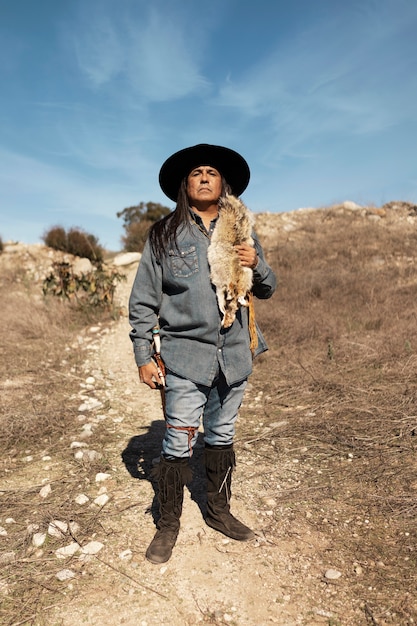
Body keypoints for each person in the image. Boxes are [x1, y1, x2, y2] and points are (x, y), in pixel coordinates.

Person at [129, 143, 276, 564]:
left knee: (222, 434)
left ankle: (218, 510)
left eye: (212, 172)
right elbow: (142, 302)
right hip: (183, 356)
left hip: (233, 355)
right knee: (177, 441)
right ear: (185, 184)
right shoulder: (163, 235)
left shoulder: (244, 235)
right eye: (197, 173)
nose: (206, 177)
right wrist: (143, 355)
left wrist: (257, 264)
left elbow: (267, 288)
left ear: (223, 183)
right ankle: (168, 524)